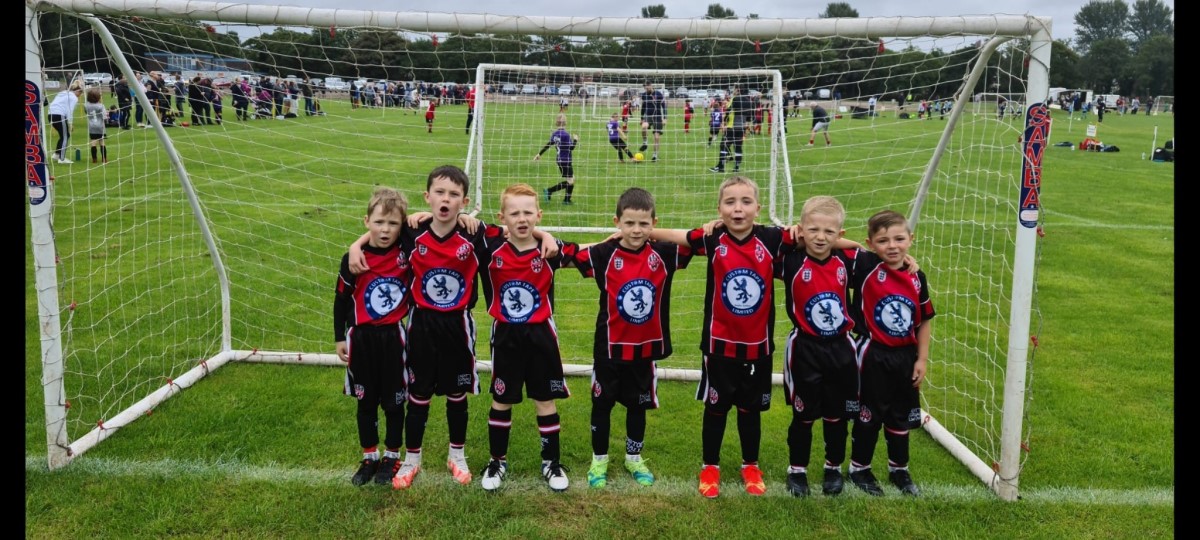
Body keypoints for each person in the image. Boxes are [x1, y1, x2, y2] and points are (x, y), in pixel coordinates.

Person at [647, 176, 796, 498]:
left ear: (758, 207)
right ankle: (710, 466)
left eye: (745, 202)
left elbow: (816, 239)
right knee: (715, 408)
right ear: (719, 209)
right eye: (730, 202)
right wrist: (640, 230)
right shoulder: (712, 238)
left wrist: (854, 246)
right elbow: (677, 236)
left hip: (758, 347)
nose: (738, 209)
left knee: (749, 411)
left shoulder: (774, 238)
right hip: (718, 346)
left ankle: (750, 465)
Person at [775, 196, 910, 498]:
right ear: (801, 230)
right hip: (804, 350)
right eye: (813, 230)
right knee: (803, 414)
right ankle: (797, 471)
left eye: (829, 232)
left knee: (837, 415)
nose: (820, 238)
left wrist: (909, 262)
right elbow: (765, 245)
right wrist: (793, 234)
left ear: (839, 234)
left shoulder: (849, 261)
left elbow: (877, 255)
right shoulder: (790, 259)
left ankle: (832, 467)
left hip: (842, 350)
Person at [574, 188, 693, 489]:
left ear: (654, 222)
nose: (636, 230)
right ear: (617, 222)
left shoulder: (664, 253)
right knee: (602, 405)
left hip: (645, 350)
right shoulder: (604, 254)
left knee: (638, 406)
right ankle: (599, 460)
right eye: (629, 223)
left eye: (644, 224)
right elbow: (567, 253)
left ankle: (633, 457)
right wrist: (603, 240)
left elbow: (698, 241)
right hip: (609, 349)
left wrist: (659, 233)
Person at [477, 183, 575, 492]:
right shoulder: (490, 246)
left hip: (541, 334)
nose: (522, 219)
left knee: (544, 399)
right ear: (502, 217)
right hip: (505, 334)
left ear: (539, 215)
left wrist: (547, 237)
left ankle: (551, 462)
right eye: (514, 213)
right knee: (502, 399)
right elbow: (454, 225)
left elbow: (589, 254)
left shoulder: (551, 249)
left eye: (528, 213)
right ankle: (497, 461)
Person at [846, 209, 935, 498]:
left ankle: (899, 469)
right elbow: (829, 241)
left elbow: (924, 320)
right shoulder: (865, 265)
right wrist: (858, 248)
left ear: (911, 239)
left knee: (900, 415)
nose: (892, 246)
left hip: (905, 357)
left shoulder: (916, 276)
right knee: (869, 413)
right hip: (872, 354)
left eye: (899, 239)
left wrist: (921, 358)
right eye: (883, 241)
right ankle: (859, 467)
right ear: (870, 243)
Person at [334, 186, 412, 487]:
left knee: (395, 402)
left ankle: (392, 455)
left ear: (401, 226)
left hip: (394, 339)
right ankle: (369, 456)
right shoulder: (353, 259)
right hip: (361, 339)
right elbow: (341, 300)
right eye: (379, 222)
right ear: (366, 221)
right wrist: (339, 337)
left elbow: (424, 222)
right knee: (365, 402)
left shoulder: (406, 253)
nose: (385, 229)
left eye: (393, 223)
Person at [709, 85, 753, 173]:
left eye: (735, 89)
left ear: (739, 90)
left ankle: (720, 167)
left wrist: (724, 123)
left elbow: (728, 111)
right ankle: (736, 167)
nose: (734, 91)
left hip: (731, 127)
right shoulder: (749, 101)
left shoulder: (735, 99)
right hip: (741, 128)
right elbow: (749, 116)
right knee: (738, 147)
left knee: (723, 146)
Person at [537, 113, 579, 205]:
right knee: (570, 181)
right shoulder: (565, 135)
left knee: (571, 179)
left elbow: (549, 144)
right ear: (565, 122)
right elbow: (571, 148)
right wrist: (575, 139)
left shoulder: (555, 134)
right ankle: (550, 191)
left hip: (560, 159)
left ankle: (566, 200)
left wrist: (539, 154)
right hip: (565, 160)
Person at [49, 80, 84, 164]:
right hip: (59, 115)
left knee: (64, 135)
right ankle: (62, 159)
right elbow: (69, 110)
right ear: (78, 91)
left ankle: (56, 154)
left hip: (50, 114)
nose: (80, 96)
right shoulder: (73, 97)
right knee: (65, 136)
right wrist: (70, 123)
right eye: (80, 93)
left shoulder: (63, 93)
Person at [638, 81, 667, 162]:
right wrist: (641, 118)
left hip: (657, 117)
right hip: (648, 116)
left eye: (648, 87)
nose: (646, 89)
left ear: (651, 86)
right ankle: (645, 143)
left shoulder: (658, 94)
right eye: (645, 87)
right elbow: (643, 107)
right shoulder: (644, 95)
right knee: (644, 127)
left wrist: (665, 118)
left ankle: (655, 155)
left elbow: (664, 106)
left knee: (656, 137)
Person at [83, 87, 109, 165]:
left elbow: (86, 113)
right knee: (102, 142)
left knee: (93, 143)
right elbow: (104, 116)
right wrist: (106, 118)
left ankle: (94, 159)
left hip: (91, 126)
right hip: (100, 126)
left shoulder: (86, 105)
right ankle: (104, 159)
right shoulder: (101, 106)